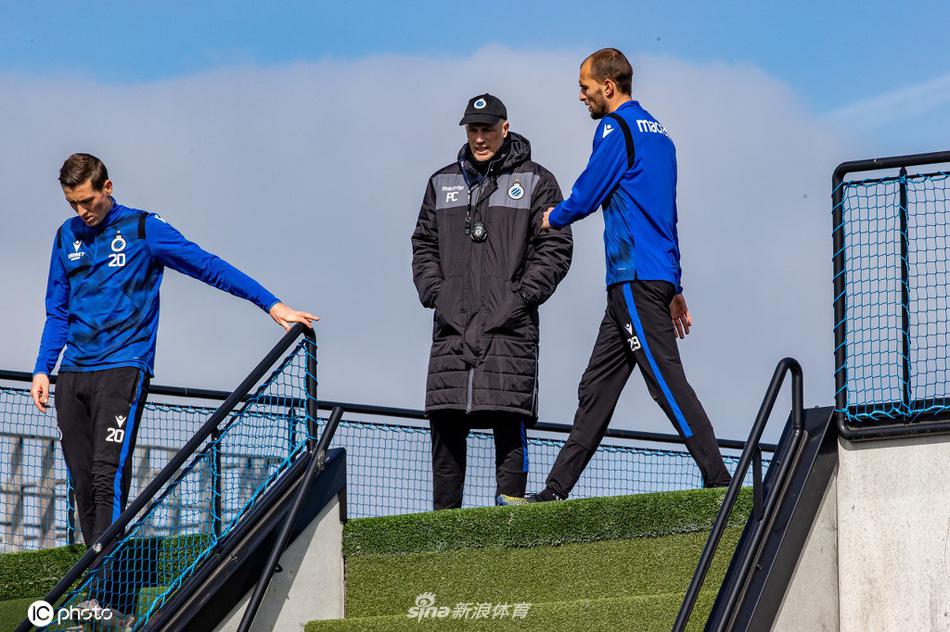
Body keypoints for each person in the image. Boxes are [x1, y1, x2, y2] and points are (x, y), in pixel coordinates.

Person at [30, 153, 316, 621]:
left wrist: (272, 304)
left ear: (107, 186)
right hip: (73, 374)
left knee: (108, 477)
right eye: (72, 203)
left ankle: (108, 599)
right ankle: (107, 593)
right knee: (83, 485)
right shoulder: (66, 236)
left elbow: (207, 265)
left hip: (123, 369)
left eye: (88, 201)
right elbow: (57, 310)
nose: (82, 212)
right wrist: (44, 368)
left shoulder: (143, 229)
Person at [528, 49, 731, 502]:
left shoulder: (614, 129)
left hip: (633, 278)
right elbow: (668, 215)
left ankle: (719, 481)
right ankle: (555, 489)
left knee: (664, 381)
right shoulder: (661, 136)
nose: (581, 96)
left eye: (584, 87)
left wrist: (549, 218)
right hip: (652, 276)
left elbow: (586, 192)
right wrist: (675, 285)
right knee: (595, 389)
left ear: (608, 86)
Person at [411, 94, 573, 509]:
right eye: (472, 129)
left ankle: (509, 522)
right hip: (452, 326)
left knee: (509, 420)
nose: (479, 138)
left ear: (505, 127)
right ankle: (442, 528)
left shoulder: (537, 181)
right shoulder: (441, 182)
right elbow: (423, 245)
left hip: (509, 328)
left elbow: (555, 248)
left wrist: (518, 299)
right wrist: (437, 294)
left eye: (486, 129)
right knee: (446, 426)